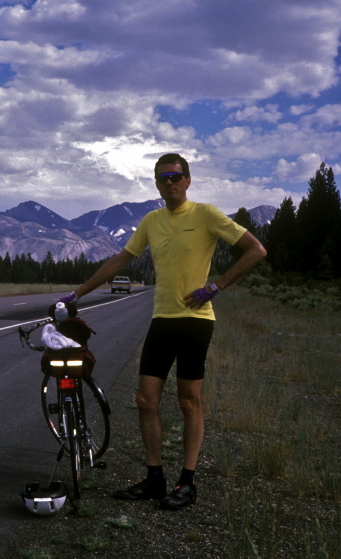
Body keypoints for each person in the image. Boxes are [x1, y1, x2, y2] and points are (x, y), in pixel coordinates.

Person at [59, 153, 266, 510]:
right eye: (162, 178)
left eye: (175, 176)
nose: (169, 182)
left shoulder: (207, 214)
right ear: (156, 184)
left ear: (188, 180)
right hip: (162, 320)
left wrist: (215, 288)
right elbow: (118, 262)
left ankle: (187, 482)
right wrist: (76, 294)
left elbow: (255, 250)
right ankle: (155, 478)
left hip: (196, 321)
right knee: (145, 400)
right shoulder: (152, 221)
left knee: (189, 401)